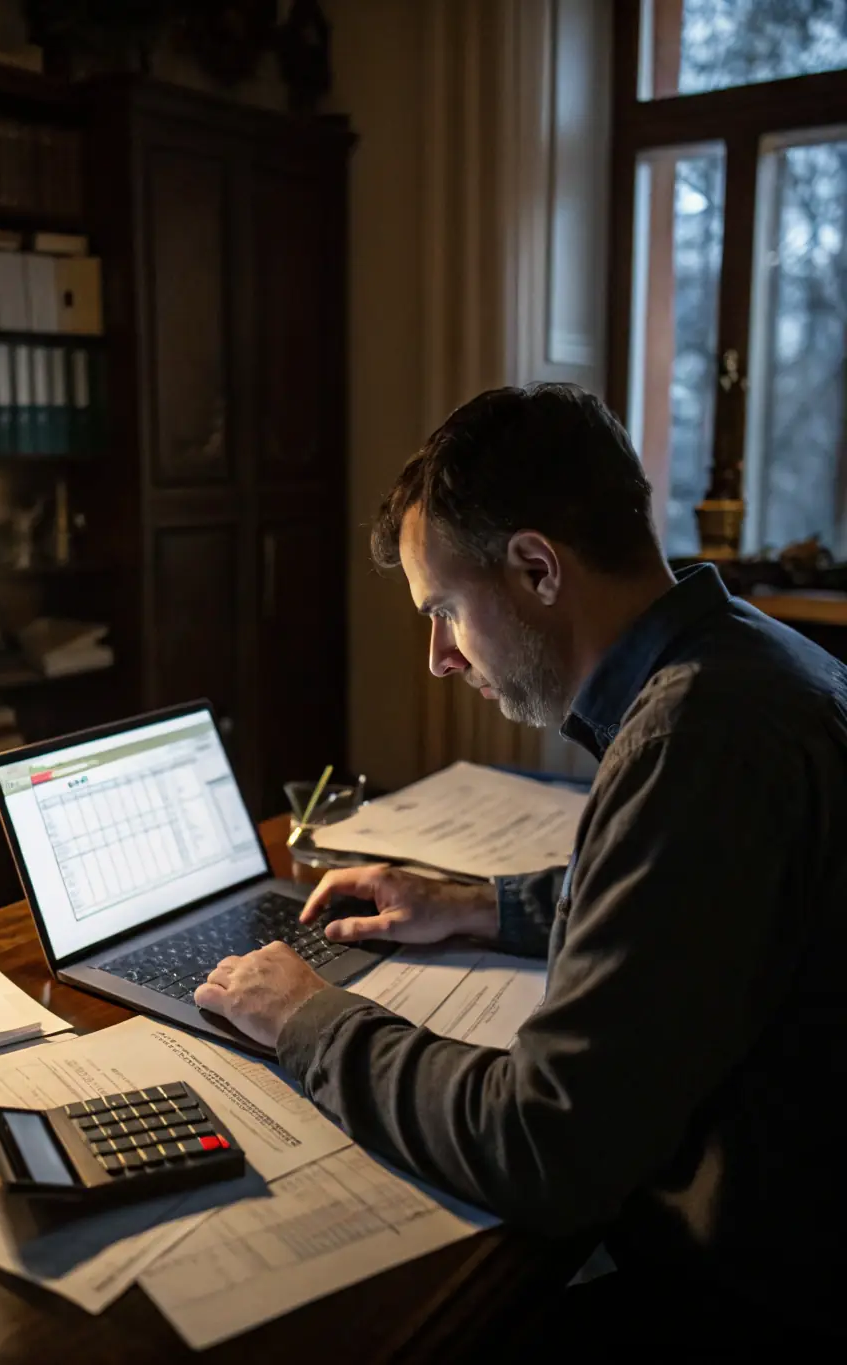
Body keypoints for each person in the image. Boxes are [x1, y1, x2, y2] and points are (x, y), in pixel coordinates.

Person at [194, 384, 847, 1352]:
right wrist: (476, 907)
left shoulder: (695, 738)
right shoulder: (749, 661)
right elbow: (695, 903)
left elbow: (544, 1148)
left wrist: (306, 1018)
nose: (438, 659)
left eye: (445, 610)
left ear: (538, 568)